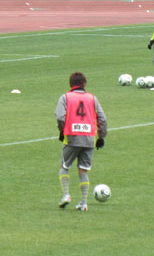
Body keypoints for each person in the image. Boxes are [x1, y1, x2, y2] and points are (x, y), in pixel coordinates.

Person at [55, 72, 107, 211]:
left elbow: (60, 116)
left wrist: (62, 130)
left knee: (64, 166)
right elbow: (102, 119)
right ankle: (83, 203)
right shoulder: (92, 98)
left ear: (70, 84)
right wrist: (101, 137)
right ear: (84, 84)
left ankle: (66, 195)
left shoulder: (65, 97)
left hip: (72, 137)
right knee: (83, 171)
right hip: (89, 139)